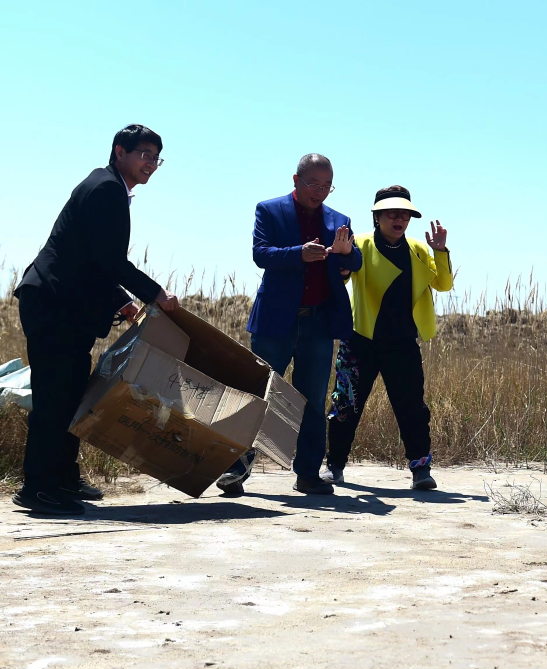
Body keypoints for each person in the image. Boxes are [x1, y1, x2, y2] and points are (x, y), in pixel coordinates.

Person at [13, 124, 180, 516]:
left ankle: (63, 479)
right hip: (54, 304)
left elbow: (91, 257)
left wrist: (119, 301)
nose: (151, 164)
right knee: (56, 397)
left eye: (156, 158)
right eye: (144, 154)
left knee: (71, 394)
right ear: (119, 151)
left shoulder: (107, 186)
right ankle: (37, 487)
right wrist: (155, 293)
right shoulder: (106, 188)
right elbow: (109, 260)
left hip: (64, 304)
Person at [216, 154, 362, 495]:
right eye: (314, 184)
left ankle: (308, 474)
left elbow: (354, 260)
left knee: (312, 402)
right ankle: (234, 470)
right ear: (295, 181)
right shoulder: (269, 210)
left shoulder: (339, 219)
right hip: (274, 323)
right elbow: (261, 253)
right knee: (256, 396)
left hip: (319, 325)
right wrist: (299, 253)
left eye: (327, 185)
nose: (321, 192)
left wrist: (344, 253)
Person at [323, 185, 453, 490]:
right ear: (377, 216)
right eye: (393, 213)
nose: (400, 218)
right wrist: (340, 262)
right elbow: (342, 273)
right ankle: (334, 465)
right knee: (345, 405)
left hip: (403, 343)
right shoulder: (361, 245)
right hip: (360, 340)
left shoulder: (419, 250)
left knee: (412, 408)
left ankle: (421, 469)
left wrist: (441, 251)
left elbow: (444, 285)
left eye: (406, 214)